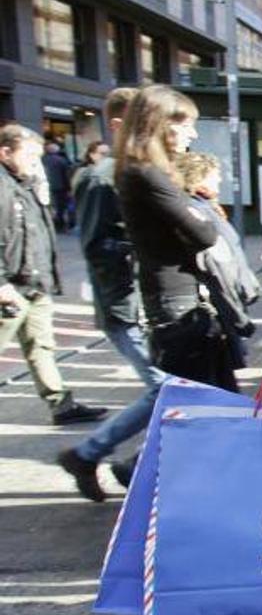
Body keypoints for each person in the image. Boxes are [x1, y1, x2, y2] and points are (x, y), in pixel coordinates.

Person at [57, 90, 163, 500]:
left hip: (145, 304)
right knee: (165, 390)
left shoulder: (133, 172)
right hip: (125, 305)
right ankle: (95, 454)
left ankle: (113, 459)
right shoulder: (103, 177)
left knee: (169, 390)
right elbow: (96, 245)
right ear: (121, 126)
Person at [115, 86, 236, 391]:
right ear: (161, 124)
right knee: (195, 400)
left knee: (201, 397)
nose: (192, 134)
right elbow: (205, 233)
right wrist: (198, 218)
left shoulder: (144, 173)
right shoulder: (147, 175)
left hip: (176, 296)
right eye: (186, 126)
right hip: (176, 301)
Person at [0, 124, 107, 427]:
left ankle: (60, 404)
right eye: (30, 156)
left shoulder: (26, 182)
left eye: (37, 157)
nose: (36, 163)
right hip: (11, 285)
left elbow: (37, 231)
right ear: (5, 152)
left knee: (41, 346)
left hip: (33, 281)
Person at [176, 152, 260, 372]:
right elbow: (218, 269)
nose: (220, 180)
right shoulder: (197, 211)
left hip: (215, 311)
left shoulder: (203, 208)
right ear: (197, 179)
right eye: (215, 176)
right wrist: (238, 317)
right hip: (213, 314)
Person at [41, 139, 74, 232]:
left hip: (46, 187)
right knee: (60, 208)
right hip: (60, 188)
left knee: (49, 207)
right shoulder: (61, 160)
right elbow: (66, 176)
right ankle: (60, 226)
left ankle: (52, 225)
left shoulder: (42, 160)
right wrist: (69, 188)